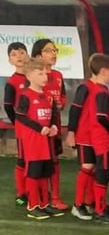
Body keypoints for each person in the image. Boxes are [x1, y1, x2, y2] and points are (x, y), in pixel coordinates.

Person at [67, 55, 109, 220]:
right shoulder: (85, 88)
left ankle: (91, 202)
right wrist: (71, 132)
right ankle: (78, 205)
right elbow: (75, 110)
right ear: (103, 71)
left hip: (95, 135)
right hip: (85, 136)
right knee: (88, 166)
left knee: (94, 168)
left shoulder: (102, 90)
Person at [15, 58, 63, 219]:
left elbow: (53, 115)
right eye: (40, 73)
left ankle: (44, 204)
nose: (44, 76)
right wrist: (39, 128)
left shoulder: (48, 95)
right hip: (33, 141)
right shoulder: (26, 96)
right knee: (34, 173)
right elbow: (20, 116)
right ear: (29, 75)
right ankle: (32, 205)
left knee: (45, 172)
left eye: (45, 73)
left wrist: (54, 126)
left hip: (46, 142)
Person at [32, 38, 68, 211]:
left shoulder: (58, 76)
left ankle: (55, 197)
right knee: (38, 163)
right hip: (38, 129)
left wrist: (60, 103)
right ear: (38, 55)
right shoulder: (32, 76)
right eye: (48, 50)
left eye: (55, 50)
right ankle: (37, 198)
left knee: (54, 161)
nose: (53, 54)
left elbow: (63, 96)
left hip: (54, 126)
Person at [88, 53, 109, 224]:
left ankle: (101, 205)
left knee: (103, 172)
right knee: (103, 173)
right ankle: (100, 209)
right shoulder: (101, 92)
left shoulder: (101, 90)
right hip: (102, 139)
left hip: (101, 137)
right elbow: (101, 116)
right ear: (103, 71)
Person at [3, 42, 28, 207]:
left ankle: (35, 189)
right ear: (10, 60)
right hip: (23, 128)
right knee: (22, 159)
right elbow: (7, 105)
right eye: (14, 54)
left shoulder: (35, 76)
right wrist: (17, 123)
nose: (18, 57)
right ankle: (21, 192)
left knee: (38, 160)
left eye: (21, 52)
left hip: (38, 128)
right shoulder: (12, 82)